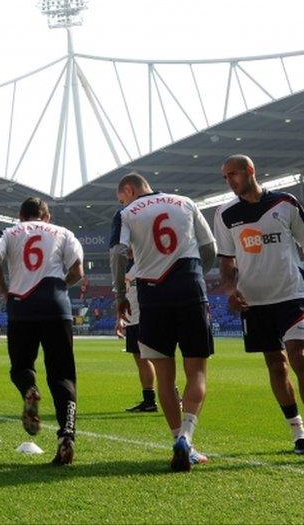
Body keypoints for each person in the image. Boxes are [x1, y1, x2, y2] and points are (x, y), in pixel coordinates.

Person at [215, 154, 304, 466]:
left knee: (300, 357)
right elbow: (226, 262)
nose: (231, 181)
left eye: (234, 174)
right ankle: (298, 433)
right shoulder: (224, 214)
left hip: (291, 295)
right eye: (226, 177)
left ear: (250, 171)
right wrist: (231, 290)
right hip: (255, 302)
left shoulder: (286, 203)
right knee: (276, 366)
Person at [110, 173, 216, 472]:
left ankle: (177, 440)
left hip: (151, 294)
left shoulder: (126, 213)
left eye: (122, 197)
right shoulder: (185, 203)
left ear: (129, 191)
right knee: (196, 372)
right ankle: (187, 435)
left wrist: (120, 293)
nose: (122, 202)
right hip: (189, 288)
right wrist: (197, 277)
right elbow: (209, 248)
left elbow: (118, 253)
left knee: (165, 377)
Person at [0, 197, 83, 465]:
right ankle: (67, 434)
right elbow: (78, 270)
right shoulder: (64, 233)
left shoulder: (8, 232)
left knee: (20, 367)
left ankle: (29, 388)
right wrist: (61, 285)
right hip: (56, 303)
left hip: (22, 305)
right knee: (62, 374)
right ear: (47, 216)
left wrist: (5, 289)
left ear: (21, 216)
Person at [118, 253, 157, 413]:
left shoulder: (146, 260)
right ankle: (149, 401)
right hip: (132, 318)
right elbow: (126, 293)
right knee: (140, 359)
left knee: (157, 358)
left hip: (145, 315)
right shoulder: (129, 265)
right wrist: (120, 318)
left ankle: (173, 394)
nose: (127, 250)